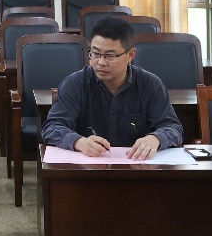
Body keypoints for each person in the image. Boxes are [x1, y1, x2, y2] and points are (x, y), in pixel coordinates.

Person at [40, 16, 184, 160]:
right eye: (95, 53)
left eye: (110, 55)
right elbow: (52, 127)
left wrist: (156, 138)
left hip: (136, 165)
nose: (101, 62)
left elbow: (173, 128)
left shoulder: (150, 84)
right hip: (88, 165)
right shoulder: (75, 84)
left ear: (130, 55)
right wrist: (79, 142)